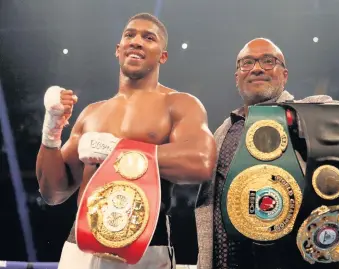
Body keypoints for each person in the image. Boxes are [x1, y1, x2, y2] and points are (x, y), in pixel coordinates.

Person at [36, 13, 217, 269]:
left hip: (144, 249)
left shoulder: (179, 104)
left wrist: (115, 150)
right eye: (130, 35)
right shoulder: (91, 113)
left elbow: (201, 163)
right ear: (118, 50)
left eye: (149, 37)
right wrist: (52, 128)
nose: (137, 41)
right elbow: (52, 192)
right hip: (79, 246)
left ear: (162, 56)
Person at [195, 38, 339, 269]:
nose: (257, 68)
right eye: (247, 63)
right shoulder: (223, 130)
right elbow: (210, 206)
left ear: (284, 75)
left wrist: (300, 118)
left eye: (268, 61)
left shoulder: (310, 108)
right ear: (237, 77)